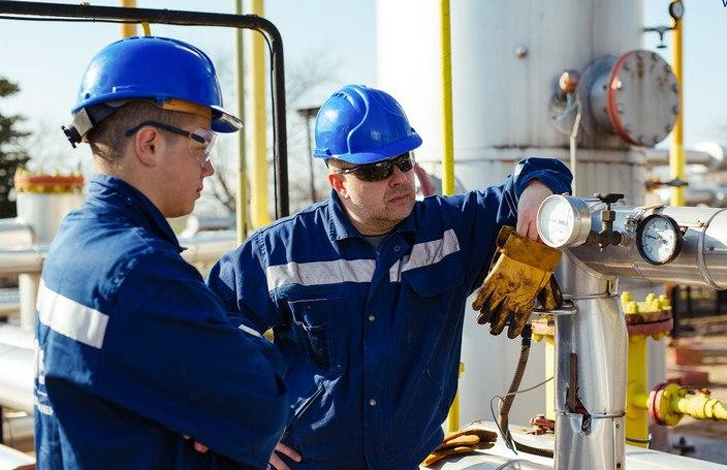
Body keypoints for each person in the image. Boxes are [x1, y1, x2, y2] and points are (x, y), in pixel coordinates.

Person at [206, 84, 573, 470]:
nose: (398, 178)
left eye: (403, 160)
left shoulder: (450, 232)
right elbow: (211, 329)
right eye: (377, 170)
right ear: (339, 183)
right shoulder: (284, 250)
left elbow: (545, 171)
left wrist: (538, 196)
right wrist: (245, 428)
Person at [35, 36, 291, 470]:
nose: (208, 166)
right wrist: (239, 358)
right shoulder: (141, 270)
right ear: (149, 144)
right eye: (201, 143)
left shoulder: (77, 238)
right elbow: (263, 403)